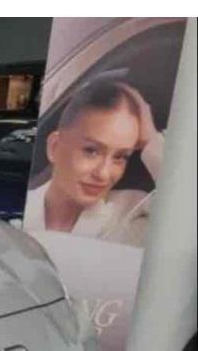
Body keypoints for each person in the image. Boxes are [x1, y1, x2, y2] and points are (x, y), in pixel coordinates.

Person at [22, 79, 164, 247]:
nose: (103, 173)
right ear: (54, 147)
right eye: (91, 151)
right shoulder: (20, 206)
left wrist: (151, 140)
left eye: (120, 157)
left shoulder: (133, 212)